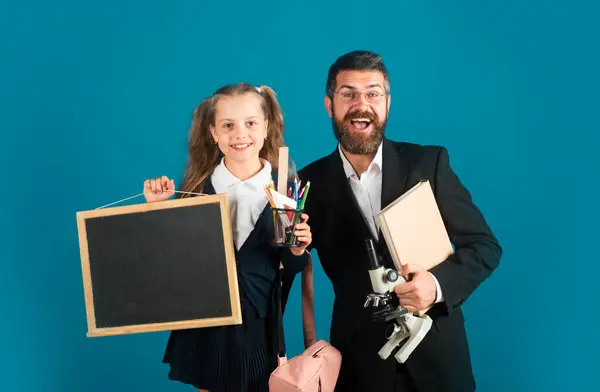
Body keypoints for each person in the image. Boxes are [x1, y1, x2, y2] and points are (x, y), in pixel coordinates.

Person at [284, 51, 502, 392]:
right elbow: (284, 267)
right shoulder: (305, 184)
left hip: (439, 360)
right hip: (360, 365)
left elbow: (485, 247)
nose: (361, 104)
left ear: (387, 103)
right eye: (348, 94)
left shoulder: (428, 164)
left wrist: (436, 285)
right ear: (330, 105)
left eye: (372, 93)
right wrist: (292, 249)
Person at [143, 83, 312, 392]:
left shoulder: (285, 191)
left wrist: (298, 248)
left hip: (260, 322)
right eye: (228, 125)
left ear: (265, 128)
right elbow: (172, 261)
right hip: (207, 321)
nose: (240, 134)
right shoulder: (197, 190)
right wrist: (158, 210)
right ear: (214, 133)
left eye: (250, 123)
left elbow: (289, 264)